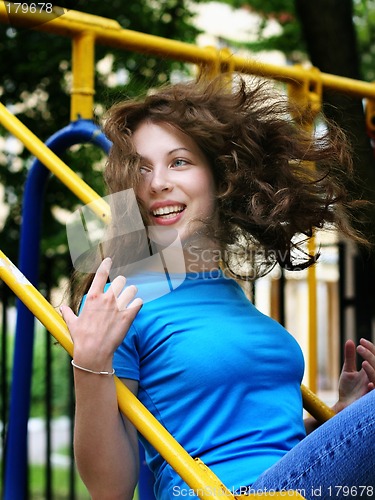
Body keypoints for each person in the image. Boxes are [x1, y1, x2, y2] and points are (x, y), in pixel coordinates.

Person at [60, 75, 375, 500]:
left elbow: (254, 438)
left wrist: (340, 419)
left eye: (179, 162)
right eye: (142, 168)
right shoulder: (121, 297)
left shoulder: (228, 290)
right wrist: (91, 361)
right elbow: (110, 489)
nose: (157, 182)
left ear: (219, 176)